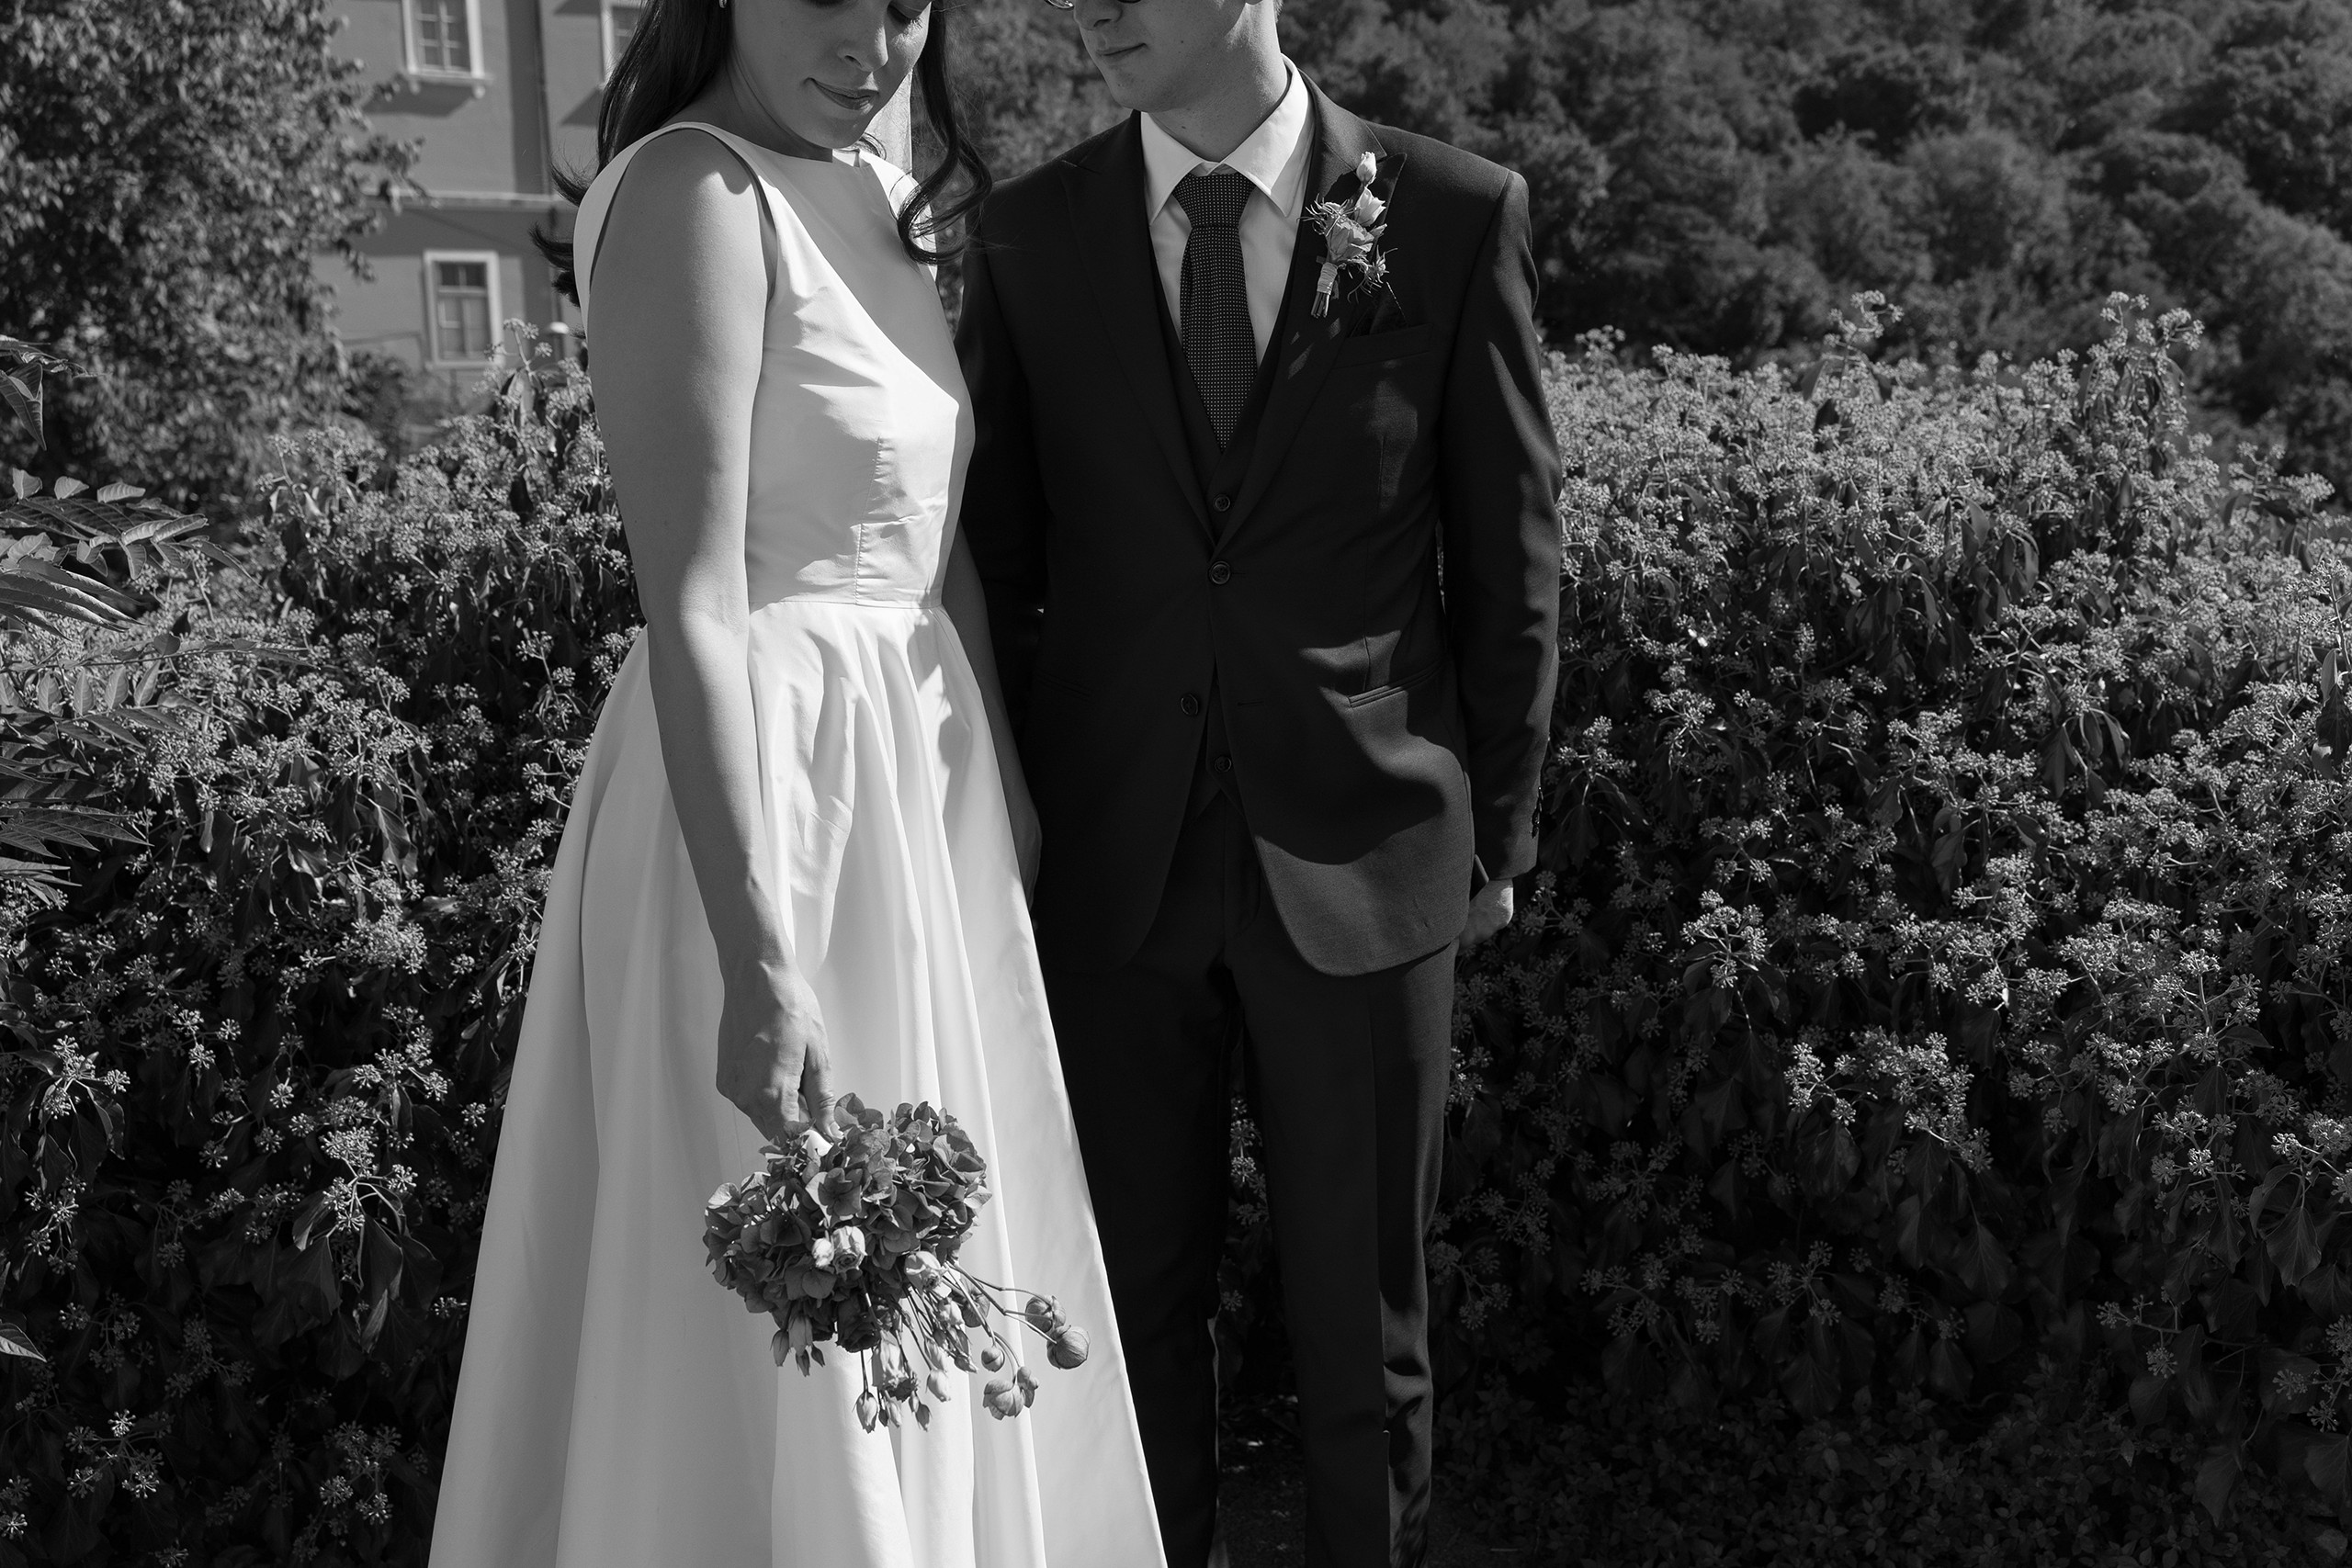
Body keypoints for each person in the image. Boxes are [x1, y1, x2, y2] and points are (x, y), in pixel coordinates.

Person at [426, 0, 1165, 1562]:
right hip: (768, 807)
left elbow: (931, 539)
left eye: (906, 4)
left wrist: (1004, 795)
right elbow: (689, 596)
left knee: (912, 1258)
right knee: (771, 1292)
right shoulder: (694, 189)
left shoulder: (871, 186)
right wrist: (758, 956)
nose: (872, 39)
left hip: (913, 796)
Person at [954, 0, 1564, 1560]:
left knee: (1367, 1331)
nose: (1089, 11)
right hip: (1109, 867)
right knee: (1117, 1313)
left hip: (1369, 854)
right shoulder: (1029, 235)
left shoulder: (1451, 211)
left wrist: (1496, 837)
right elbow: (998, 566)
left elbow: (1510, 556)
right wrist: (1002, 823)